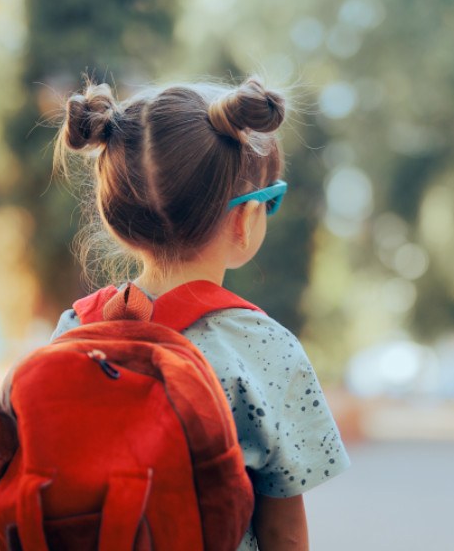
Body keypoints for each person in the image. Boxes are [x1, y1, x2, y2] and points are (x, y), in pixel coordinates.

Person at [49, 77, 350, 550]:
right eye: (269, 201)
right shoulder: (263, 348)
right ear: (242, 218)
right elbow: (284, 535)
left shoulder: (74, 330)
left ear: (118, 219)